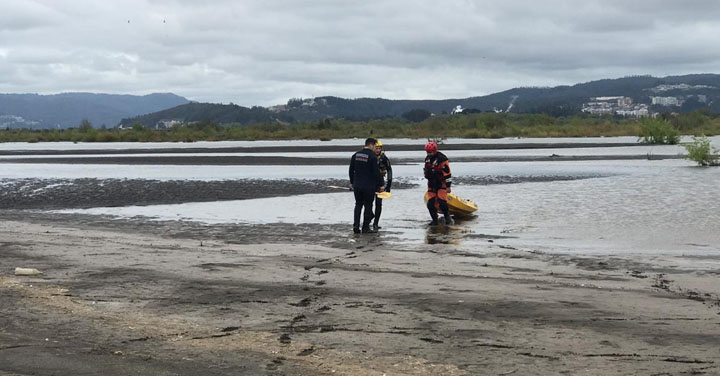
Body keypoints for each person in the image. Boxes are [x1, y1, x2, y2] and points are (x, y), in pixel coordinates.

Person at [349, 138, 385, 233]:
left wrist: (352, 182)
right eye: (375, 146)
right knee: (368, 206)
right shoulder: (372, 157)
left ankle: (356, 226)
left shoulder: (356, 155)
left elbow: (351, 170)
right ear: (371, 145)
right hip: (368, 186)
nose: (375, 149)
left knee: (358, 205)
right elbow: (376, 172)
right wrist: (381, 184)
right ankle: (365, 227)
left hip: (357, 185)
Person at [424, 141, 453, 225]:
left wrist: (448, 186)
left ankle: (448, 218)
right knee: (430, 204)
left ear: (435, 150)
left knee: (442, 202)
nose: (429, 154)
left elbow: (447, 174)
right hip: (431, 184)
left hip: (441, 183)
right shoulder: (427, 159)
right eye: (427, 152)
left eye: (430, 152)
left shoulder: (442, 159)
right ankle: (435, 220)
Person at [372, 140, 392, 232]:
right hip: (370, 183)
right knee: (368, 203)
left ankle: (376, 223)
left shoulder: (384, 158)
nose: (377, 150)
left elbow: (389, 171)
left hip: (380, 183)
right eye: (376, 148)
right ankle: (369, 218)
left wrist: (388, 186)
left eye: (379, 148)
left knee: (378, 204)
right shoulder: (370, 157)